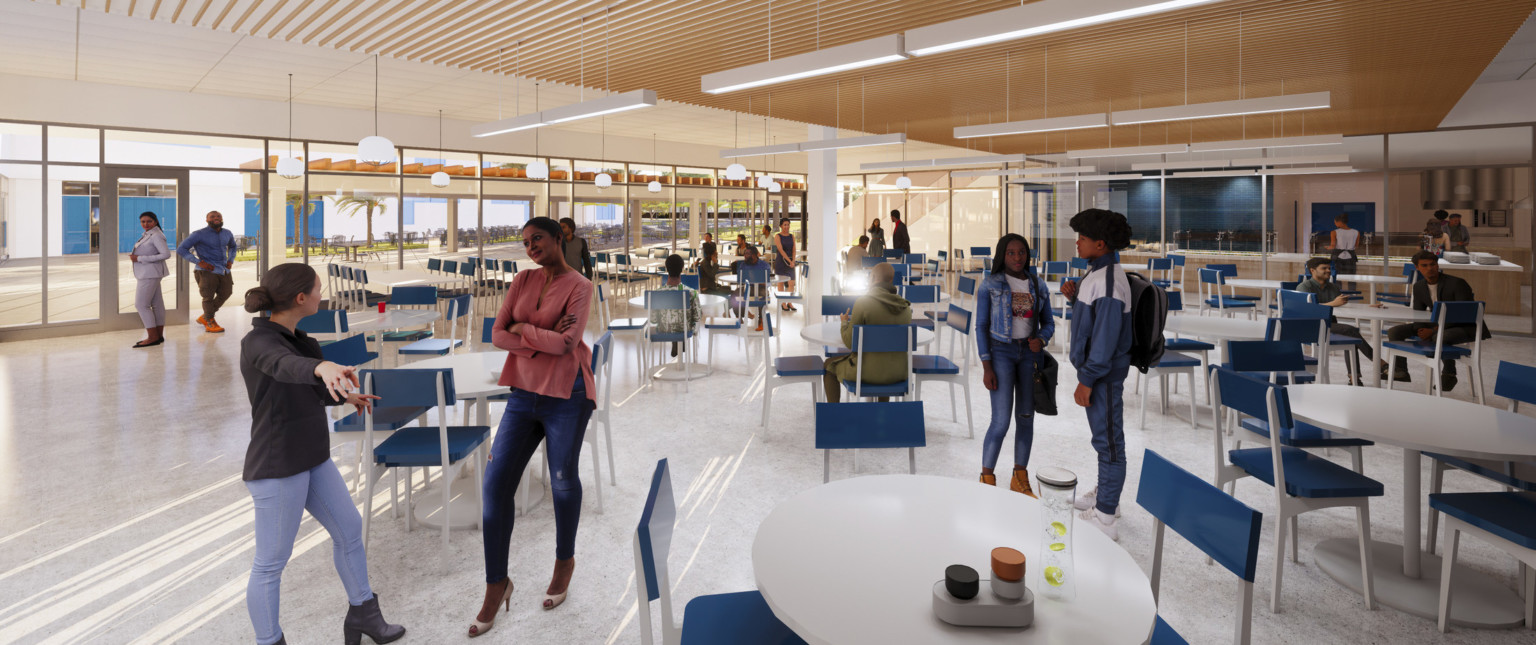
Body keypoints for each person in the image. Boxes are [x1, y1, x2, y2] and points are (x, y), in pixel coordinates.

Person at [239, 263, 404, 645]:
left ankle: (364, 614)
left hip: (313, 457)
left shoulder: (302, 339)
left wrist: (345, 394)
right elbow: (285, 368)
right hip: (278, 466)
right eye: (317, 288)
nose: (321, 293)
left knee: (349, 532)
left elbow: (312, 389)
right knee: (270, 564)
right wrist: (321, 366)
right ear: (301, 298)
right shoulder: (260, 342)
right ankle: (269, 641)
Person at [474, 216, 596, 637]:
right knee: (494, 486)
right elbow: (496, 334)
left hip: (568, 393)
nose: (530, 247)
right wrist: (535, 331)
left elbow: (568, 344)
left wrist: (521, 329)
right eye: (525, 242)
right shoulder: (521, 280)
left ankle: (565, 560)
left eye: (538, 238)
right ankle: (496, 584)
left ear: (559, 238)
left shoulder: (581, 286)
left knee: (563, 480)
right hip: (523, 393)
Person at [1058, 208, 1134, 542]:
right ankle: (1107, 498)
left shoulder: (1106, 282)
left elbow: (1104, 340)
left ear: (1100, 244)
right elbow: (1095, 324)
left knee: (1109, 443)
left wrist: (1087, 379)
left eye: (1083, 239)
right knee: (1104, 439)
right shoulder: (1098, 274)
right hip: (1099, 373)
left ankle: (1105, 516)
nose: (1078, 243)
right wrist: (1077, 299)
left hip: (1102, 375)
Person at [975, 233, 1054, 496]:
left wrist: (1041, 339)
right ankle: (986, 479)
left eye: (1021, 252)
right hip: (1001, 354)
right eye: (1011, 253)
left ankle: (1020, 479)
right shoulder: (990, 285)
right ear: (1002, 255)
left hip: (1029, 357)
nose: (1017, 257)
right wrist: (986, 365)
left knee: (1026, 418)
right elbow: (981, 326)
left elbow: (1049, 322)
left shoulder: (1037, 284)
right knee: (1000, 421)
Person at [1383, 250, 1492, 392]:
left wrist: (1433, 330)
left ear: (1437, 265)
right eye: (1425, 265)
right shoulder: (1419, 287)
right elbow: (1418, 313)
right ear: (1417, 267)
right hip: (1438, 325)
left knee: (1440, 337)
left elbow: (1463, 315)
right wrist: (1421, 329)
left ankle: (1449, 374)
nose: (1430, 268)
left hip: (1466, 326)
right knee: (1395, 331)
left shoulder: (1457, 283)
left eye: (1433, 264)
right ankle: (1401, 371)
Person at [822, 262, 912, 403]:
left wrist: (844, 322)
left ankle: (835, 416)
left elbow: (849, 342)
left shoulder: (863, 303)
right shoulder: (905, 308)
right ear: (891, 280)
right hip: (898, 372)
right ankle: (882, 413)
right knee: (884, 360)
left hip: (866, 372)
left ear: (873, 278)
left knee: (828, 365)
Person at [1296, 257, 1371, 385]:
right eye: (1324, 268)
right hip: (1311, 327)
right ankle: (1378, 362)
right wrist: (1333, 303)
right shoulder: (1303, 287)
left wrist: (1369, 306)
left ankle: (1354, 378)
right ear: (1312, 270)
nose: (1328, 271)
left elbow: (1341, 306)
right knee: (1350, 330)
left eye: (1329, 268)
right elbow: (1307, 311)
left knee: (1350, 335)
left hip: (1329, 324)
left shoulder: (1333, 287)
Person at [177, 210, 239, 333]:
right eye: (212, 216)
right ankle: (210, 322)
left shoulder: (227, 233)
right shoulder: (198, 234)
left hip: (224, 270)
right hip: (206, 271)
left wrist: (231, 260)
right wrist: (199, 262)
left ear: (221, 219)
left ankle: (206, 316)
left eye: (218, 216)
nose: (216, 218)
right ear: (207, 220)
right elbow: (181, 249)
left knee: (226, 293)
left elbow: (233, 246)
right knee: (208, 297)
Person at [128, 211, 171, 348]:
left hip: (149, 274)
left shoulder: (156, 235)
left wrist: (139, 258)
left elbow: (166, 254)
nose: (145, 224)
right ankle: (158, 335)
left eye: (149, 221)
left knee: (141, 305)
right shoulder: (149, 234)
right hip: (149, 273)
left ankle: (152, 337)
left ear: (155, 221)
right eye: (143, 222)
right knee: (157, 304)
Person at [651, 254, 702, 357]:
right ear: (682, 269)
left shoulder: (657, 293)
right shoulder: (691, 292)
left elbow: (653, 319)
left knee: (672, 319)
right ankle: (679, 339)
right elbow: (697, 317)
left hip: (663, 330)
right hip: (685, 329)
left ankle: (676, 341)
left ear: (666, 269)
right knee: (685, 319)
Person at [731, 244, 773, 332]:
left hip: (761, 288)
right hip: (748, 288)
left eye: (747, 254)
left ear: (754, 255)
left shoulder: (764, 265)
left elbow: (768, 283)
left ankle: (761, 321)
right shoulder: (743, 265)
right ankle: (740, 317)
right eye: (745, 254)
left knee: (763, 296)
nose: (745, 256)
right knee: (734, 295)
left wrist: (757, 281)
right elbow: (740, 280)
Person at [772, 218, 798, 311]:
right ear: (781, 226)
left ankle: (789, 302)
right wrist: (789, 260)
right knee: (781, 283)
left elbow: (794, 249)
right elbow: (781, 250)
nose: (787, 226)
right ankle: (783, 303)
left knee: (792, 283)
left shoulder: (792, 236)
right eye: (785, 225)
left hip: (791, 262)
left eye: (788, 224)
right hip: (781, 262)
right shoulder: (777, 236)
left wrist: (793, 260)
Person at [1326, 213, 1359, 283]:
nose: (1335, 224)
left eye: (1335, 222)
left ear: (1339, 222)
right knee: (1352, 278)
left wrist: (1327, 248)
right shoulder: (1356, 232)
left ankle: (1337, 293)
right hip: (1351, 256)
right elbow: (1356, 246)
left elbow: (1333, 246)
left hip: (1337, 257)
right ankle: (1353, 293)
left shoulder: (1334, 232)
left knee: (1336, 277)